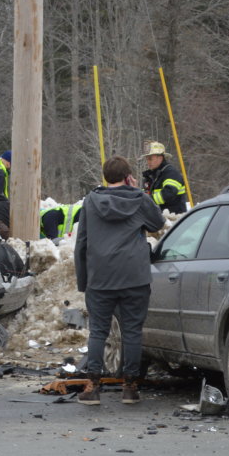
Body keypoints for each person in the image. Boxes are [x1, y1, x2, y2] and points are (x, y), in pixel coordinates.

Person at [74, 157, 164, 405]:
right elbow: (157, 222)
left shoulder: (91, 201)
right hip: (134, 276)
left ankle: (93, 387)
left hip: (100, 277)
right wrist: (139, 192)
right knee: (132, 331)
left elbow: (82, 242)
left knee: (98, 331)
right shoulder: (138, 199)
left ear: (105, 177)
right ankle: (130, 387)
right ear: (128, 177)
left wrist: (83, 280)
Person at [140, 141, 187, 214]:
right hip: (159, 217)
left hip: (174, 217)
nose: (148, 162)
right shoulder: (150, 176)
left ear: (160, 158)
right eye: (147, 159)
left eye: (150, 159)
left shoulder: (171, 173)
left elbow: (169, 193)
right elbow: (145, 194)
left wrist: (147, 201)